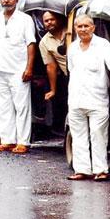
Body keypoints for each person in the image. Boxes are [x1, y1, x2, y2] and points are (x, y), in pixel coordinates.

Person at [0, 0, 37, 154]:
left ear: (16, 0)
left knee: (22, 107)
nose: (6, 1)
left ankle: (23, 142)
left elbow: (31, 44)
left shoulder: (25, 19)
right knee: (2, 107)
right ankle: (7, 140)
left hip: (18, 70)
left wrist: (29, 67)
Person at [65, 15, 110, 181]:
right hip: (75, 99)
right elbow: (71, 70)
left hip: (97, 99)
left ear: (93, 28)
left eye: (86, 26)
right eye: (79, 26)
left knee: (98, 134)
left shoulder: (103, 45)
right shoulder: (72, 47)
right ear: (75, 29)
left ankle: (101, 170)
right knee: (78, 135)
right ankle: (82, 170)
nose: (83, 29)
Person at [38, 10, 69, 139]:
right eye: (46, 21)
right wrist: (53, 90)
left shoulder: (71, 30)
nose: (49, 22)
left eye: (52, 19)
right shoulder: (44, 42)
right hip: (68, 76)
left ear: (59, 20)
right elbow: (51, 66)